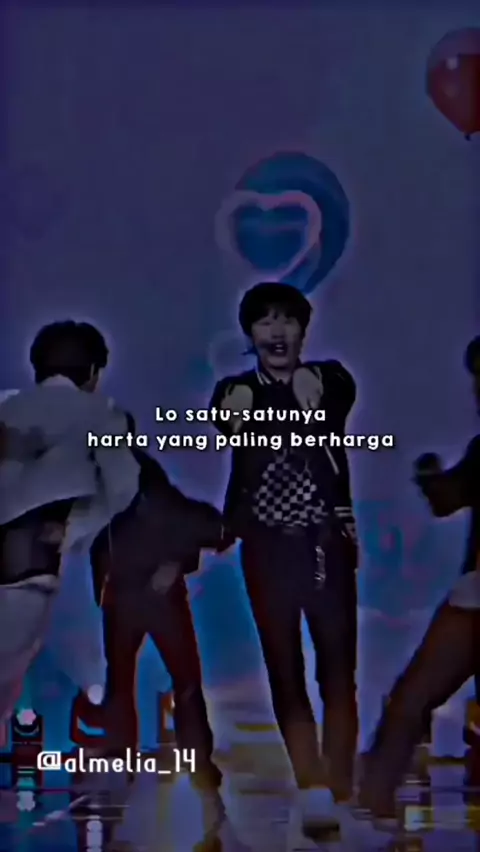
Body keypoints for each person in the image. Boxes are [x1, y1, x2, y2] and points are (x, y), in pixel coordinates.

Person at [209, 281, 359, 839]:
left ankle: (338, 785)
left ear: (303, 329)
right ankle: (312, 783)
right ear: (250, 333)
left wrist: (291, 397)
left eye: (287, 320)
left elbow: (330, 401)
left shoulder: (328, 379)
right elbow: (228, 420)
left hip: (324, 545)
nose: (276, 331)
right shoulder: (235, 391)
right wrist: (252, 406)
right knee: (284, 666)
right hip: (267, 547)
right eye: (265, 322)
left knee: (337, 669)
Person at [357, 334, 480, 825]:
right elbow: (448, 498)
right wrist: (431, 478)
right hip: (473, 599)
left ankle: (374, 804)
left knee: (411, 698)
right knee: (411, 698)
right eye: (477, 380)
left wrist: (433, 479)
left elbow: (447, 497)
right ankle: (373, 805)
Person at [0, 320, 139, 743]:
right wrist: (75, 527)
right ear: (93, 372)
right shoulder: (102, 413)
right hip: (31, 563)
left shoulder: (5, 406)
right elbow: (122, 486)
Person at [89, 413, 225, 810]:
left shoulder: (137, 476)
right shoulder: (127, 476)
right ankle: (184, 764)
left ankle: (176, 764)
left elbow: (181, 520)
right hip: (136, 593)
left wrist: (174, 562)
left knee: (151, 680)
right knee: (164, 680)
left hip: (142, 593)